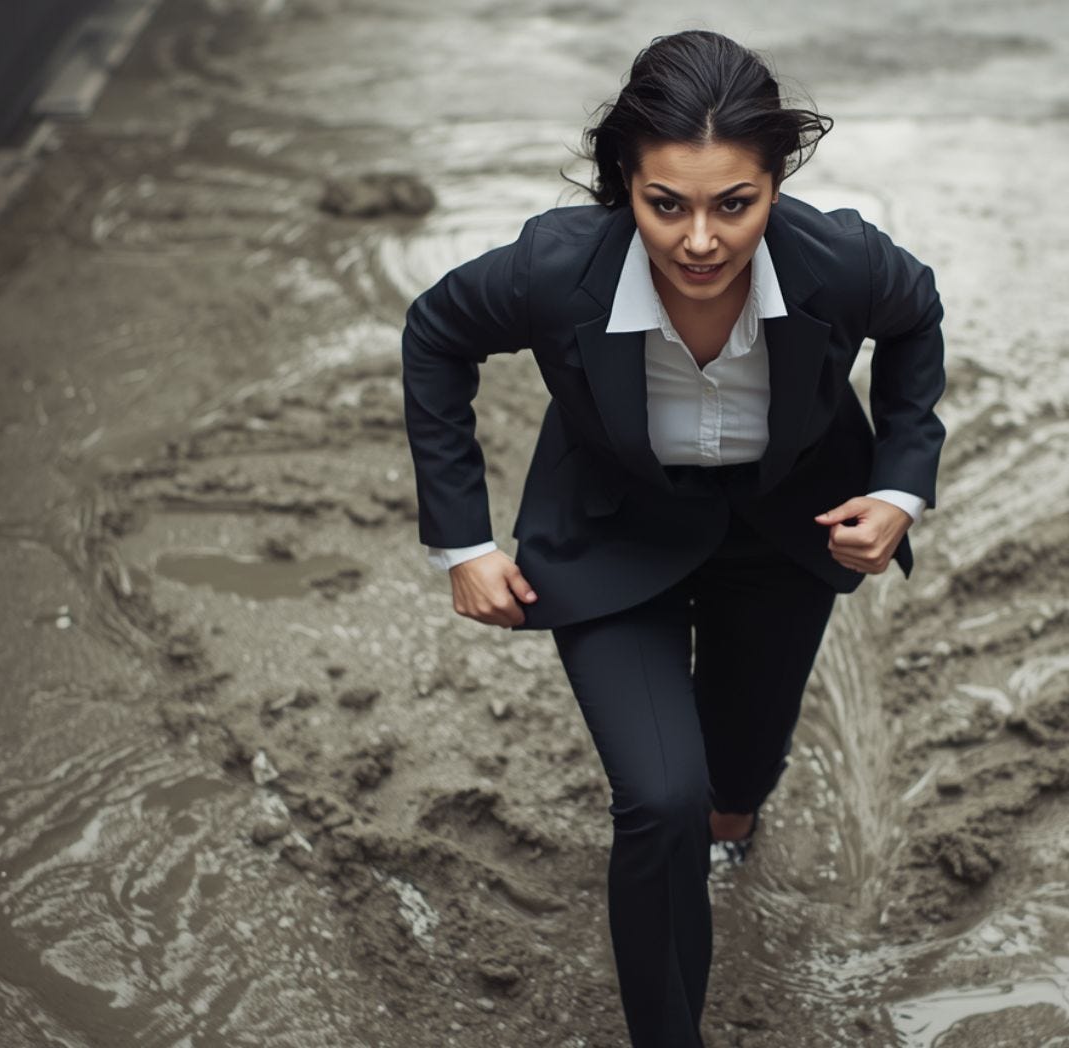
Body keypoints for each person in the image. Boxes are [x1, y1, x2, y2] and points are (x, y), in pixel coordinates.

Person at [400, 28, 945, 1048]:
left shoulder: (844, 262)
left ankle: (733, 833)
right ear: (624, 186)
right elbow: (434, 335)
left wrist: (898, 487)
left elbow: (916, 322)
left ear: (773, 184)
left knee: (735, 779)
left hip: (787, 530)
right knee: (660, 798)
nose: (700, 239)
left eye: (732, 203)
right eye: (667, 204)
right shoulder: (552, 269)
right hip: (616, 532)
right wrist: (462, 541)